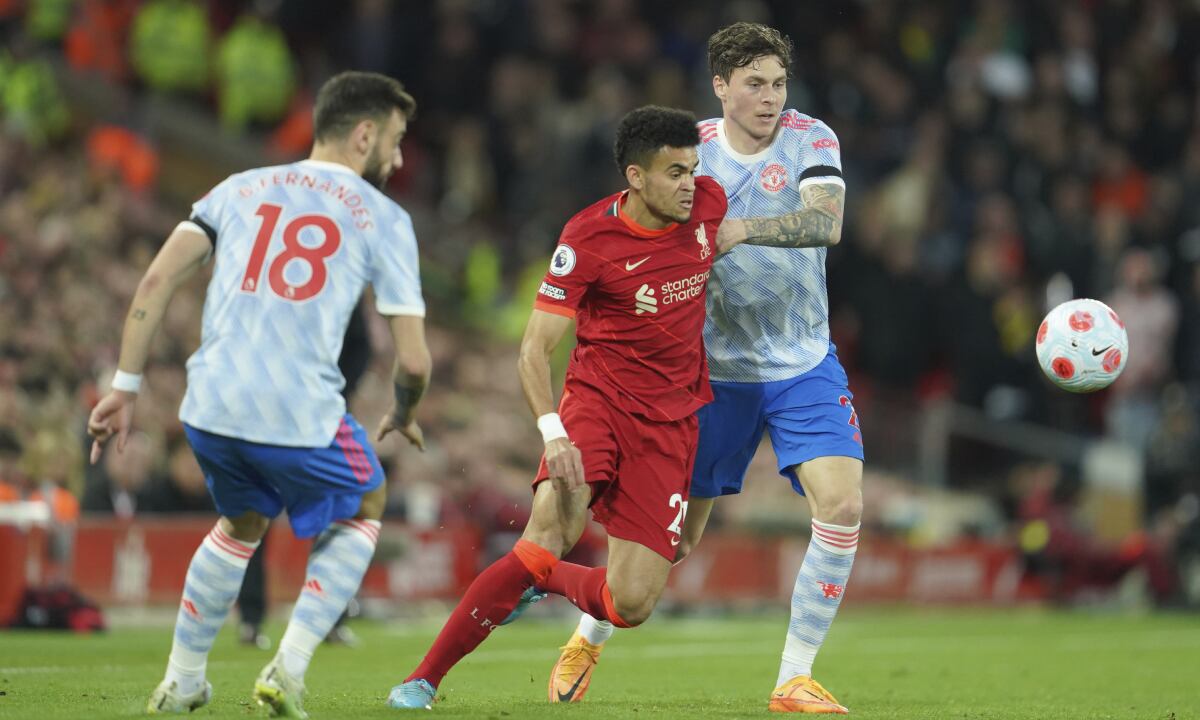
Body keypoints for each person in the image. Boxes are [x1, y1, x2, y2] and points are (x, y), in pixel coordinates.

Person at [86, 71, 431, 718]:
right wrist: (404, 411)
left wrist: (124, 388)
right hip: (296, 407)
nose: (399, 156)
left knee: (242, 524)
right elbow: (412, 359)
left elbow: (157, 278)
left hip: (209, 408)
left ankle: (183, 681)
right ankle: (288, 670)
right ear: (364, 134)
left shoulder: (237, 187)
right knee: (368, 499)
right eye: (395, 139)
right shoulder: (384, 217)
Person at [551, 23, 861, 714]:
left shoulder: (813, 137)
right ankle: (588, 633)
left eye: (778, 83)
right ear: (720, 86)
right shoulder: (688, 154)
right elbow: (636, 236)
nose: (770, 98)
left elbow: (828, 221)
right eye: (754, 84)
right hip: (710, 372)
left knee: (841, 505)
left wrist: (743, 229)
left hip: (803, 361)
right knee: (678, 541)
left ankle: (793, 678)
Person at [386, 105, 728, 710]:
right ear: (636, 177)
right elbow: (533, 350)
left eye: (693, 170)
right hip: (598, 403)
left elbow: (738, 231)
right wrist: (554, 434)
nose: (689, 184)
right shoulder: (587, 238)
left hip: (671, 423)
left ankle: (538, 580)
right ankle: (422, 679)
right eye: (674, 172)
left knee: (632, 605)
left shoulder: (709, 206)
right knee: (547, 532)